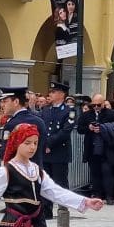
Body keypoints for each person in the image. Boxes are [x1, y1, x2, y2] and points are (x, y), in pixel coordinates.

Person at [0, 86, 54, 227]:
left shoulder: (13, 124)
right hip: (36, 173)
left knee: (18, 216)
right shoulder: (39, 120)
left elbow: (9, 152)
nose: (2, 105)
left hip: (18, 176)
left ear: (16, 101)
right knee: (37, 214)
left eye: (5, 101)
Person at [76, 93, 114, 206]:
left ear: (103, 104)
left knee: (107, 171)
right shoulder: (87, 114)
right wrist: (89, 128)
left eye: (98, 105)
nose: (96, 107)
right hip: (92, 147)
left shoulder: (111, 114)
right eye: (94, 105)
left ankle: (109, 195)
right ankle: (97, 195)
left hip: (107, 147)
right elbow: (79, 129)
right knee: (95, 172)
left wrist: (102, 128)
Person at [40, 81, 76, 219]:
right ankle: (46, 210)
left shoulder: (69, 111)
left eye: (54, 92)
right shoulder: (46, 110)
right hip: (46, 152)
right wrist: (44, 144)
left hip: (59, 152)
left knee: (60, 181)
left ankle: (62, 208)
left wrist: (49, 144)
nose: (51, 94)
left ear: (62, 94)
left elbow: (65, 131)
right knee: (45, 181)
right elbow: (42, 128)